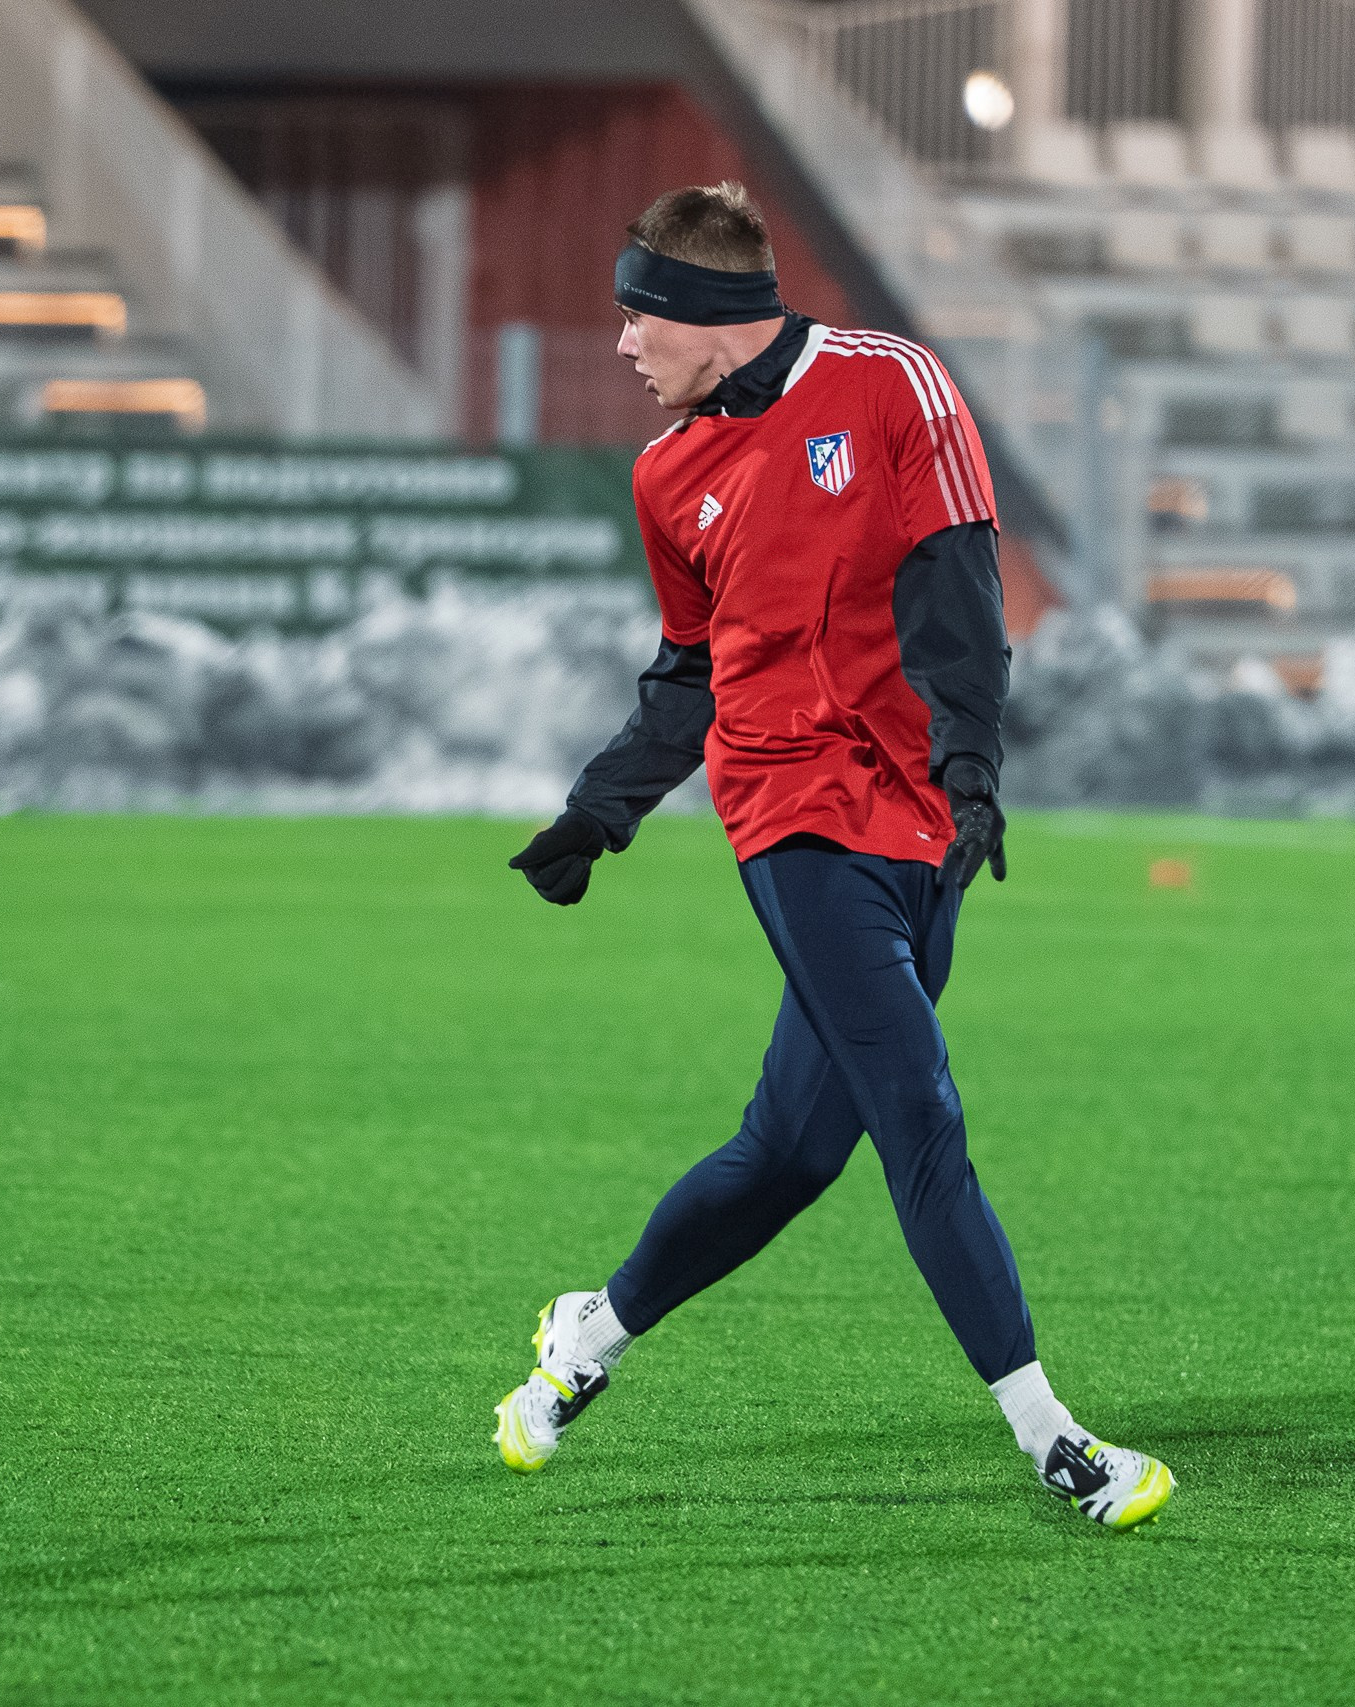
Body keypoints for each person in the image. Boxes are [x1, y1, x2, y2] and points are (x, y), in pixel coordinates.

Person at [491, 182, 1173, 1532]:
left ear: (709, 319)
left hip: (922, 813)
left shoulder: (894, 386)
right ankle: (1056, 1443)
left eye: (638, 312)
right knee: (920, 1115)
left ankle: (593, 1330)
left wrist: (973, 765)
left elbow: (958, 583)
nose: (622, 339)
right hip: (789, 813)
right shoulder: (665, 473)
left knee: (792, 1154)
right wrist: (602, 808)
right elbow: (693, 670)